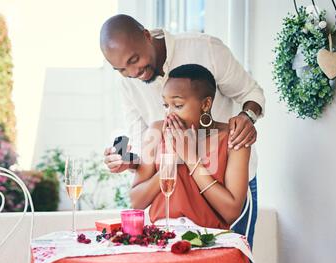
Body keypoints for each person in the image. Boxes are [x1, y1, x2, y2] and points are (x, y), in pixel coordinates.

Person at [100, 14, 264, 248]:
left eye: (134, 59)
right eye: (121, 69)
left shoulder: (206, 49)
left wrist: (246, 117)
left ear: (147, 36)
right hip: (173, 197)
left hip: (228, 175)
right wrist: (128, 161)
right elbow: (141, 145)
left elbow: (252, 93)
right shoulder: (131, 86)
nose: (132, 72)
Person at [130, 64, 250, 230]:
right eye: (166, 105)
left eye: (178, 105)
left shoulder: (233, 137)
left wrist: (191, 159)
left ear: (206, 104)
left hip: (210, 240)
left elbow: (231, 212)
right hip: (161, 237)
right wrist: (171, 161)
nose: (169, 114)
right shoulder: (156, 131)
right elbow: (136, 202)